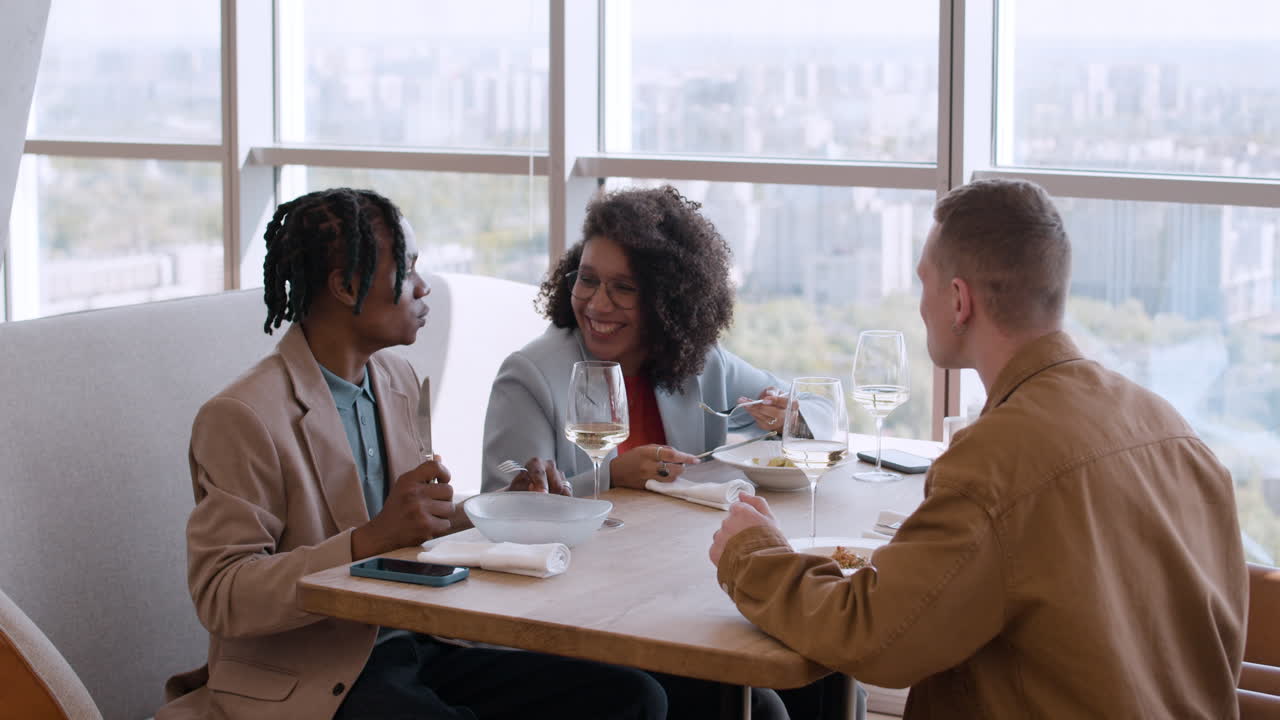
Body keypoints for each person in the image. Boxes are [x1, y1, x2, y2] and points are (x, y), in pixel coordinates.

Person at [710, 178, 1249, 718]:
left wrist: (754, 554)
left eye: (924, 282)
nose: (920, 305)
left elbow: (874, 637)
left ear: (959, 299)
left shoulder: (996, 461)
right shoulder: (1174, 432)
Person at [157, 188, 666, 720]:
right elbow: (222, 593)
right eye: (407, 269)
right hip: (318, 676)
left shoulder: (394, 378)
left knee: (632, 697)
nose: (423, 286)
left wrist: (504, 506)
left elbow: (415, 524)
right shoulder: (244, 416)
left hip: (420, 644)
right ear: (345, 285)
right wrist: (367, 540)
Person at [482, 185, 859, 720]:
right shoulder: (532, 374)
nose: (597, 303)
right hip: (580, 614)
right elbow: (505, 502)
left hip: (679, 596)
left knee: (826, 684)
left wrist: (790, 414)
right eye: (587, 280)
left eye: (623, 288)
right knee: (766, 709)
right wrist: (608, 476)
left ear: (666, 298)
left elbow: (824, 413)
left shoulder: (698, 364)